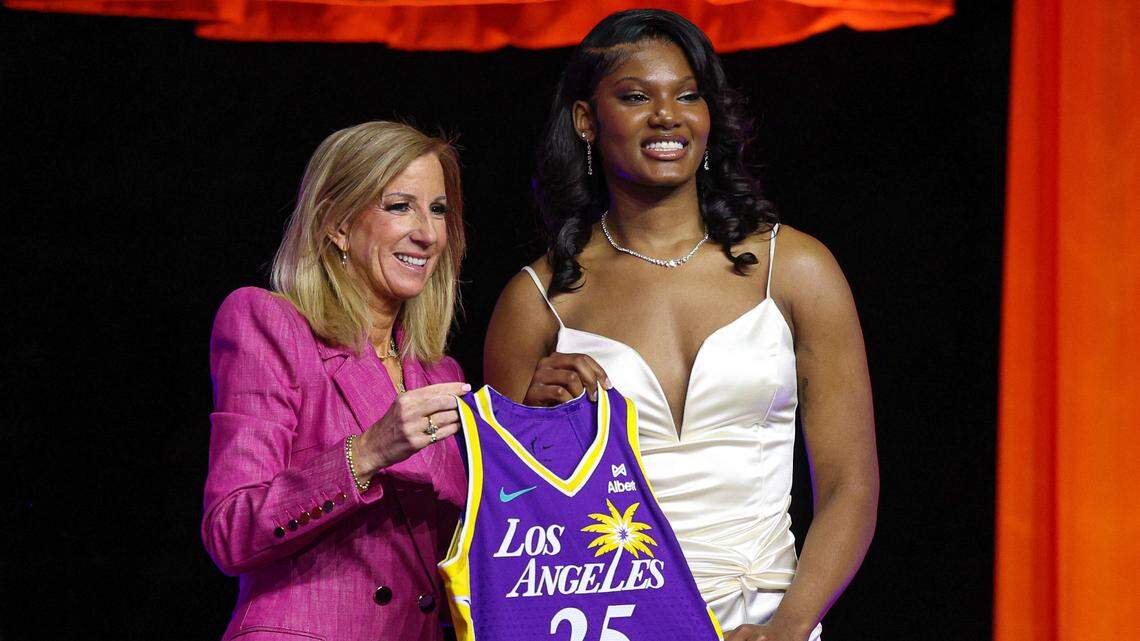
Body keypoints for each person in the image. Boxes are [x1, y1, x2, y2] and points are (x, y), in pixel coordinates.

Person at [483, 10, 878, 641]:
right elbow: (510, 522)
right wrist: (530, 428)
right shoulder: (537, 302)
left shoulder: (796, 269)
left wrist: (789, 627)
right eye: (636, 96)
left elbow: (849, 485)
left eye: (687, 95)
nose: (667, 114)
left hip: (768, 621)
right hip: (607, 624)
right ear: (587, 120)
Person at [203, 121, 470, 641]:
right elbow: (229, 531)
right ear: (338, 225)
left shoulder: (440, 373)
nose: (429, 233)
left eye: (438, 209)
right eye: (400, 206)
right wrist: (365, 453)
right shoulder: (270, 324)